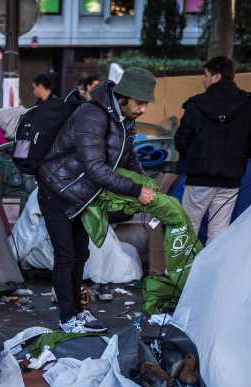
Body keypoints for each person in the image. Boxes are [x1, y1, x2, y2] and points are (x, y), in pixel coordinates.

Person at [38, 68, 157, 334]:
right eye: (140, 103)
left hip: (81, 195)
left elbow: (128, 159)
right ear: (124, 98)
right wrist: (135, 190)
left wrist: (146, 183)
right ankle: (67, 317)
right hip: (57, 189)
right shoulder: (92, 115)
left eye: (146, 103)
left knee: (81, 253)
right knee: (66, 255)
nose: (143, 110)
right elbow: (95, 167)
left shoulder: (124, 120)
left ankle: (78, 311)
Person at [175, 56, 251, 244]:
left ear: (216, 76)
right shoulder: (249, 105)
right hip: (231, 178)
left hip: (199, 177)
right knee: (219, 232)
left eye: (206, 75)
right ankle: (211, 273)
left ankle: (181, 272)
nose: (204, 80)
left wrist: (195, 158)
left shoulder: (196, 105)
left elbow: (181, 140)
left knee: (187, 228)